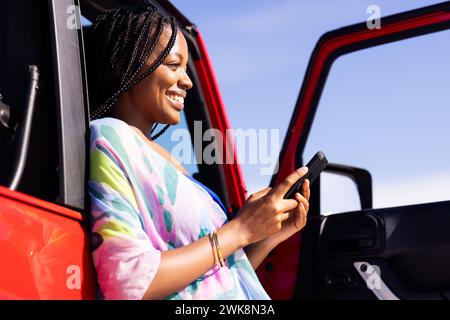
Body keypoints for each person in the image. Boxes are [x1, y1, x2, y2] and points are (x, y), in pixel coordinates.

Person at [86, 1, 311, 300]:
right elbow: (130, 281)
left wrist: (265, 236)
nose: (187, 80)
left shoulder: (165, 160)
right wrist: (241, 228)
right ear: (122, 62)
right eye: (173, 65)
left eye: (186, 67)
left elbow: (215, 282)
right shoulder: (109, 137)